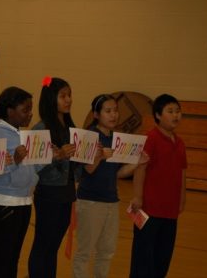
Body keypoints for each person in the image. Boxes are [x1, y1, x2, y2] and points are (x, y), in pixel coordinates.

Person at [72, 94, 148, 278]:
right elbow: (88, 170)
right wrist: (100, 155)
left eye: (115, 110)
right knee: (84, 253)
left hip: (112, 201)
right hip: (90, 202)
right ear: (96, 115)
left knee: (106, 253)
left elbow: (117, 173)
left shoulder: (116, 138)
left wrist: (137, 163)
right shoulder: (89, 137)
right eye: (108, 111)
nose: (113, 115)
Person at [129, 94, 187, 278]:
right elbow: (140, 169)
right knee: (142, 260)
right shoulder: (150, 138)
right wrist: (138, 196)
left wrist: (182, 199)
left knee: (162, 259)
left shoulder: (180, 143)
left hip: (170, 212)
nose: (175, 115)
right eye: (170, 111)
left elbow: (182, 172)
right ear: (158, 115)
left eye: (178, 111)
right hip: (149, 211)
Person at [0, 87, 38, 278]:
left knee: (13, 257)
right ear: (10, 111)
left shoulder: (19, 133)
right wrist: (14, 161)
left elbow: (30, 169)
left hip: (22, 201)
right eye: (25, 109)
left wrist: (51, 156)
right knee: (4, 257)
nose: (30, 114)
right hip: (4, 202)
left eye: (31, 109)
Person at [28, 77, 77, 278]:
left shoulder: (69, 127)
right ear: (51, 98)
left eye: (69, 95)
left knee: (52, 247)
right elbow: (33, 168)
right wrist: (57, 157)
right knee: (43, 244)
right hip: (49, 194)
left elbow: (75, 166)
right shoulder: (41, 129)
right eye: (63, 96)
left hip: (66, 193)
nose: (68, 100)